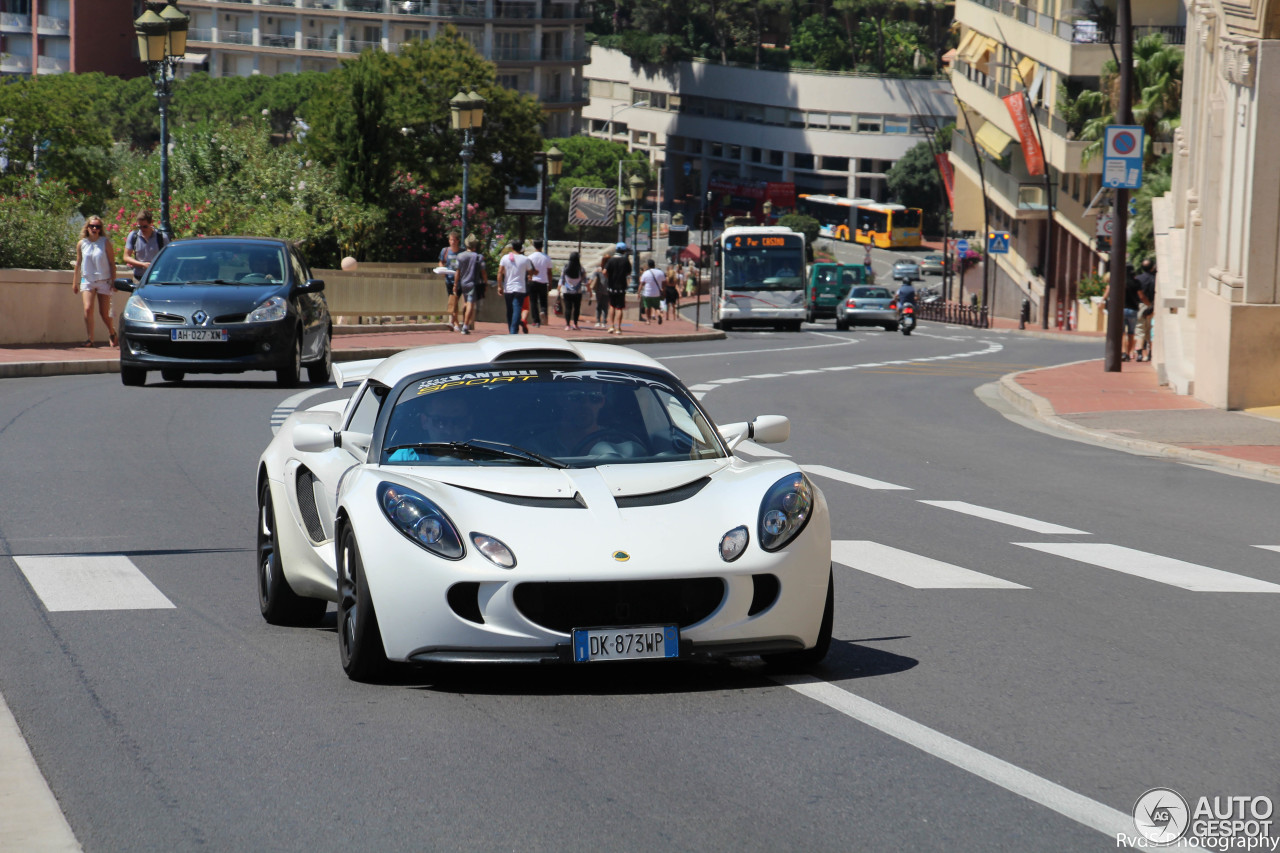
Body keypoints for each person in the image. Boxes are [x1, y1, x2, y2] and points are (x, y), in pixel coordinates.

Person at [387, 392, 476, 462]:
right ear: (424, 421)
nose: (449, 430)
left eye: (458, 421)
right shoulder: (404, 458)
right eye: (440, 422)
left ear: (469, 422)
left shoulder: (485, 460)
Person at [72, 216, 117, 348]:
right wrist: (75, 282)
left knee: (104, 313)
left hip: (104, 280)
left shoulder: (105, 242)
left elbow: (112, 263)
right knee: (87, 308)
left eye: (97, 227)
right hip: (87, 279)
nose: (94, 229)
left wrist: (114, 281)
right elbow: (78, 263)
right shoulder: (82, 243)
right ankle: (90, 338)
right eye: (92, 226)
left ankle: (112, 331)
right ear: (87, 227)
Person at [1103, 268, 1142, 361]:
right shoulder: (1136, 283)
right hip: (1133, 309)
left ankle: (1123, 352)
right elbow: (1140, 295)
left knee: (1122, 333)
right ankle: (1129, 353)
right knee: (1131, 333)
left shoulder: (1119, 283)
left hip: (1121, 309)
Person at [454, 234, 487, 335]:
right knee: (470, 305)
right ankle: (465, 326)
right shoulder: (479, 257)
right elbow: (483, 271)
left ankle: (464, 322)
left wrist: (455, 284)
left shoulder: (460, 256)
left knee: (465, 303)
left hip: (463, 283)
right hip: (473, 283)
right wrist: (485, 281)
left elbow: (457, 272)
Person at [498, 240, 532, 335]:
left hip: (508, 288)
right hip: (520, 288)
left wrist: (499, 286)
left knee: (509, 310)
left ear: (512, 248)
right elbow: (530, 272)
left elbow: (500, 272)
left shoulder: (505, 258)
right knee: (517, 309)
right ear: (521, 248)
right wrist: (530, 276)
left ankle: (511, 330)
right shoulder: (525, 259)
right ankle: (513, 331)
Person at [122, 210, 165, 283]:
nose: (142, 229)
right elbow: (126, 257)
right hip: (139, 278)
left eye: (145, 226)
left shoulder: (161, 237)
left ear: (151, 223)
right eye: (139, 226)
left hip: (157, 278)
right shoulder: (133, 236)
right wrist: (142, 264)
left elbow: (168, 257)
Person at [604, 242, 632, 335]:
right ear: (623, 251)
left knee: (612, 306)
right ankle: (619, 328)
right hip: (622, 287)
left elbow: (604, 272)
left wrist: (609, 277)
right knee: (619, 308)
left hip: (612, 286)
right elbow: (628, 273)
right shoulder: (625, 261)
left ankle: (611, 326)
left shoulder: (611, 260)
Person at [527, 239, 553, 328]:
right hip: (543, 281)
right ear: (542, 246)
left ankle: (536, 321)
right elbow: (549, 272)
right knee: (543, 301)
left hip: (533, 281)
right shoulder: (546, 257)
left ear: (534, 246)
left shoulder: (530, 257)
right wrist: (550, 283)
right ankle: (543, 311)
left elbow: (528, 270)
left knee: (533, 302)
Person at [1135, 258, 1156, 362]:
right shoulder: (1155, 279)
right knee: (1150, 330)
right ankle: (1150, 353)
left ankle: (1139, 354)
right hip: (1152, 306)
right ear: (1152, 267)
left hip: (1140, 306)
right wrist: (1151, 305)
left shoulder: (1138, 279)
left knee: (1140, 330)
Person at [439, 231, 461, 331]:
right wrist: (441, 269)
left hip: (459, 280)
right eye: (450, 240)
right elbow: (441, 262)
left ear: (457, 241)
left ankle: (453, 323)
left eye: (454, 240)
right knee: (452, 300)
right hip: (448, 279)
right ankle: (454, 323)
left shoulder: (461, 252)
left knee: (454, 300)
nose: (452, 242)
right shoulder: (445, 251)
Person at [558, 251, 584, 331]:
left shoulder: (565, 267)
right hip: (577, 291)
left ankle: (567, 325)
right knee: (576, 308)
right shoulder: (581, 269)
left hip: (567, 291)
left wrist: (558, 289)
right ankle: (575, 324)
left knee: (568, 308)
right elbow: (585, 281)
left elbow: (561, 279)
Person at [639, 259, 666, 325]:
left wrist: (638, 292)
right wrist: (663, 290)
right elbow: (664, 283)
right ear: (654, 264)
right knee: (656, 307)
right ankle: (659, 314)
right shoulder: (660, 272)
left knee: (647, 307)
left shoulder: (646, 273)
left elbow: (641, 284)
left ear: (648, 265)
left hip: (647, 293)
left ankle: (648, 320)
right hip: (657, 293)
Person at [589, 253, 610, 328]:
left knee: (599, 306)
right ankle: (604, 321)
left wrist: (589, 287)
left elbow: (591, 279)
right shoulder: (611, 270)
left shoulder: (598, 270)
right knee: (605, 306)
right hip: (607, 290)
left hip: (599, 290)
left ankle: (598, 321)